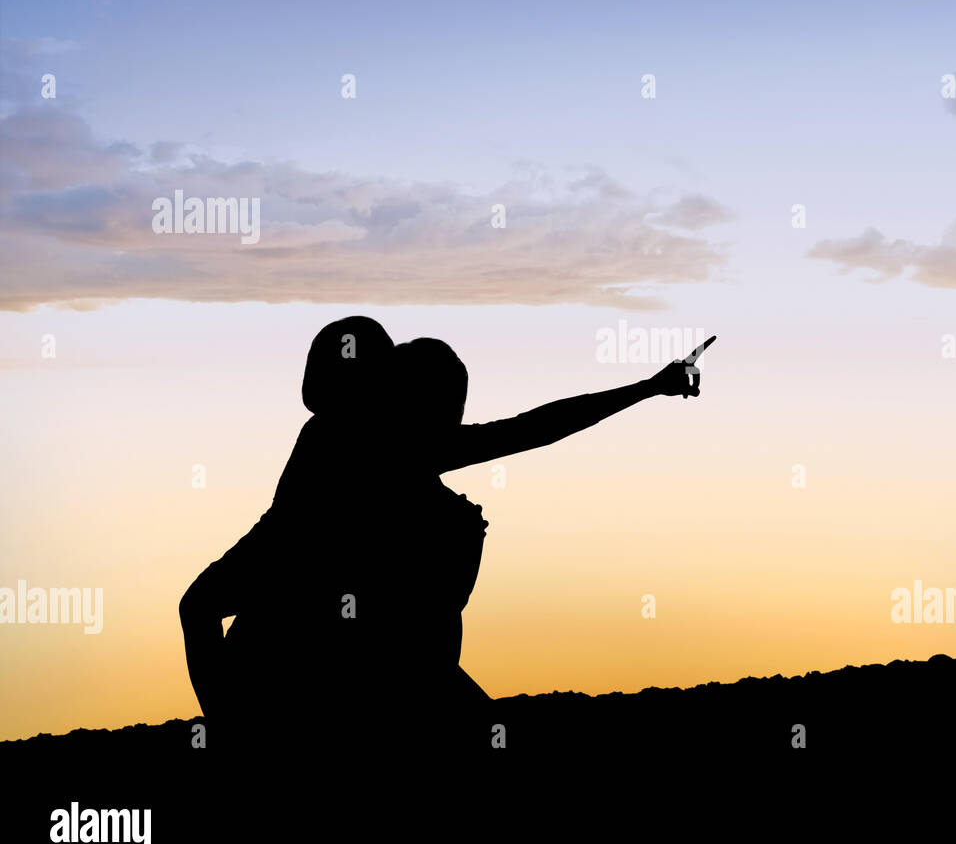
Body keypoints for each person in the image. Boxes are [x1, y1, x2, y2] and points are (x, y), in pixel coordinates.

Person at [180, 318, 705, 753]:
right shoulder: (373, 442)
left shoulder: (376, 444)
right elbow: (531, 429)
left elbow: (531, 428)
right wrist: (649, 387)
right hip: (309, 633)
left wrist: (648, 387)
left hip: (346, 637)